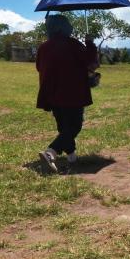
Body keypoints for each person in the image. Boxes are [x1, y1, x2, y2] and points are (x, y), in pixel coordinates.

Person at [36, 15, 99, 173]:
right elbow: (90, 62)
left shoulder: (43, 47)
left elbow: (39, 67)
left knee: (64, 126)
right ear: (61, 27)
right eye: (67, 24)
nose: (70, 26)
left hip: (51, 93)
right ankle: (50, 153)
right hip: (72, 92)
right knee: (74, 126)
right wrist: (90, 43)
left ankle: (72, 157)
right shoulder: (72, 44)